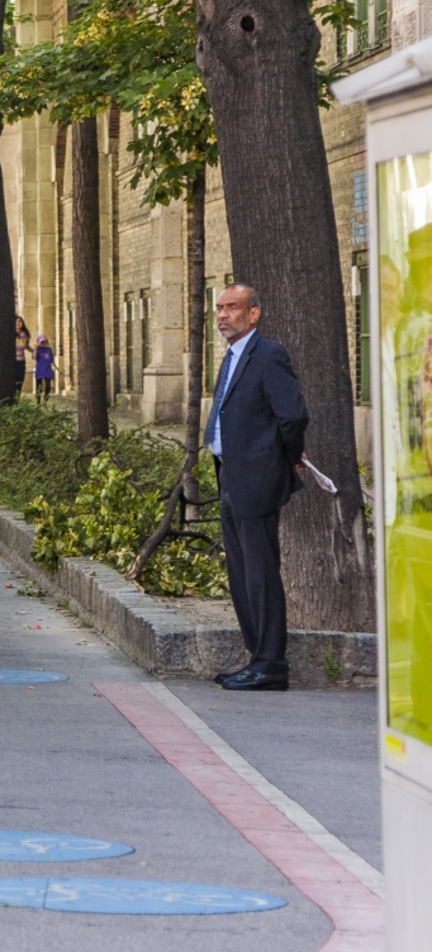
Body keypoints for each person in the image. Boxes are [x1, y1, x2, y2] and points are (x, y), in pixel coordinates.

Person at [207, 283, 310, 693]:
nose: (223, 315)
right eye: (219, 308)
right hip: (229, 475)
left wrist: (283, 457)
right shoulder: (232, 357)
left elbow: (293, 416)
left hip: (257, 478)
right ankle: (257, 659)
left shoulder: (267, 355)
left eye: (233, 308)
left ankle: (271, 664)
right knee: (241, 573)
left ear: (254, 314)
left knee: (261, 574)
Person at [33, 334, 55, 404]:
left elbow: (52, 359)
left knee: (48, 387)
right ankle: (38, 402)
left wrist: (56, 368)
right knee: (39, 387)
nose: (43, 343)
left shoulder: (49, 349)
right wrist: (36, 348)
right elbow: (34, 357)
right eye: (41, 342)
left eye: (44, 341)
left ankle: (45, 400)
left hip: (47, 369)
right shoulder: (37, 349)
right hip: (39, 369)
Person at [14, 316, 32, 395]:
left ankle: (18, 397)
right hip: (12, 361)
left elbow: (27, 346)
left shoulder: (25, 335)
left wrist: (34, 351)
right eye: (16, 322)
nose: (18, 323)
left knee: (20, 379)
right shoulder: (11, 334)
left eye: (20, 321)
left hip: (21, 361)